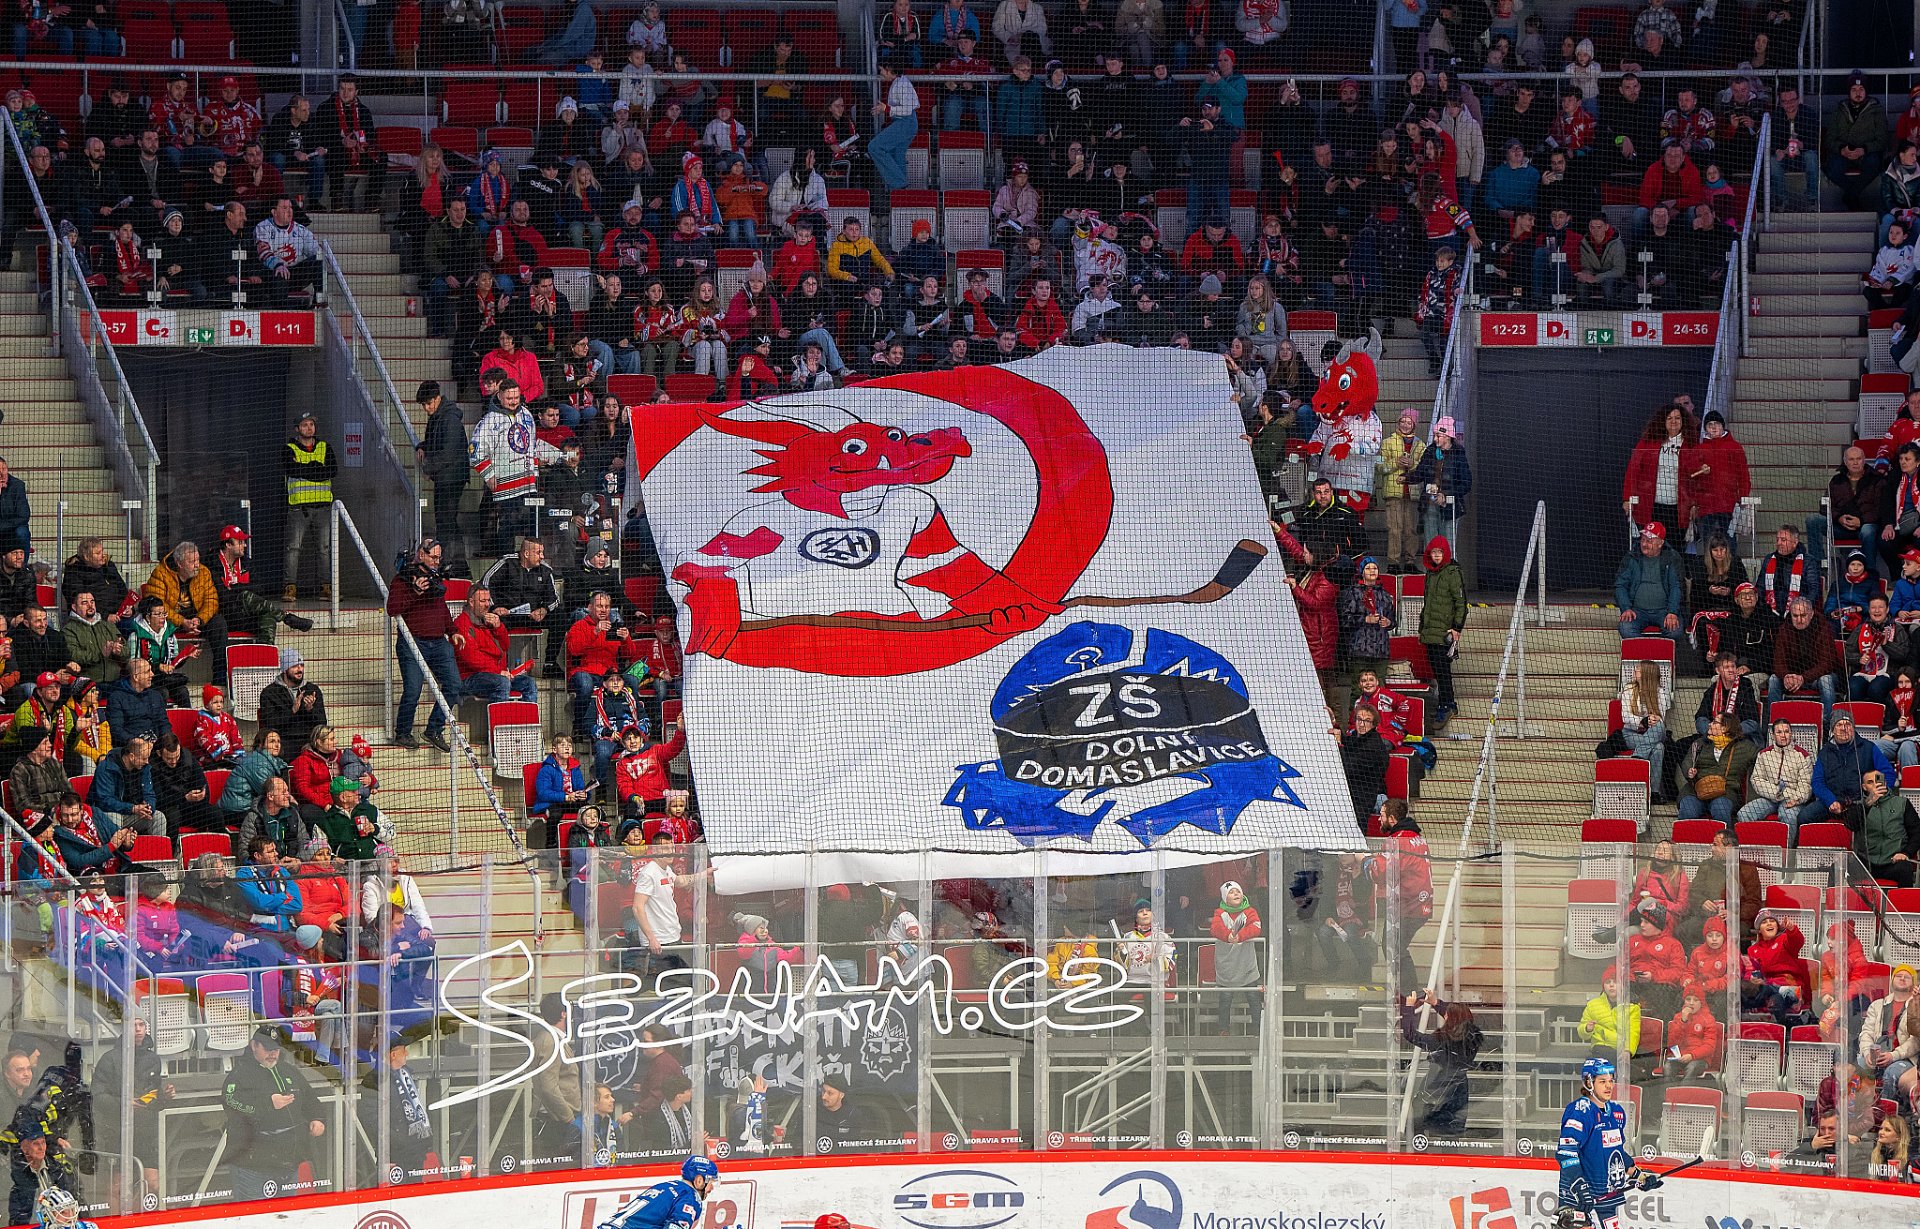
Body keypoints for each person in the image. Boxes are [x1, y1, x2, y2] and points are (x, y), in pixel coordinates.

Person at [1556, 1057, 1664, 1229]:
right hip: (1578, 1198)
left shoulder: (1616, 1112)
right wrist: (1579, 1186)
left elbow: (1616, 1153)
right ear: (1589, 1082)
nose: (1609, 1086)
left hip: (1606, 1195)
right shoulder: (1580, 1112)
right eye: (1602, 1081)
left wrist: (1639, 1176)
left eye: (1611, 1081)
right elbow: (1566, 1153)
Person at [221, 1025, 325, 1200]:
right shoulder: (239, 1075)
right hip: (252, 1166)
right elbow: (231, 1104)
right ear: (254, 1045)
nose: (273, 1053)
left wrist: (317, 1118)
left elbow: (310, 1099)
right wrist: (267, 1103)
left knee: (286, 1214)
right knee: (254, 1215)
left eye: (276, 1049)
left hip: (288, 1164)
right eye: (268, 1048)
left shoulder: (289, 1071)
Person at [386, 559, 462, 753]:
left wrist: (452, 630)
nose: (437, 562)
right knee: (413, 690)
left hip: (438, 642)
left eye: (439, 558)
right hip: (412, 641)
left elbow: (441, 608)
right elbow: (392, 609)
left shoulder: (435, 577)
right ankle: (403, 733)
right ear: (422, 555)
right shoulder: (402, 579)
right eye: (434, 558)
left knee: (454, 685)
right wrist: (415, 591)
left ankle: (434, 729)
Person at [1400, 989, 1484, 1137]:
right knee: (1453, 1130)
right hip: (1460, 1087)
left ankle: (1419, 1148)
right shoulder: (1473, 1038)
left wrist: (1409, 1008)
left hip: (1437, 1084)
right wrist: (1435, 1003)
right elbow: (1456, 1016)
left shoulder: (1440, 1041)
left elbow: (1410, 1034)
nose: (1444, 1015)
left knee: (1418, 1122)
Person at [1374, 799, 1432, 996]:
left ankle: (1410, 993)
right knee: (1393, 945)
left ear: (1392, 818)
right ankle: (1407, 991)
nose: (1379, 819)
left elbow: (1381, 870)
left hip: (1409, 903)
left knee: (1393, 946)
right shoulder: (1415, 837)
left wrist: (1365, 862)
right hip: (1417, 900)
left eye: (1382, 815)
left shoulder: (1398, 840)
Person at [281, 411, 335, 603]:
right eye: (304, 425)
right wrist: (317, 468)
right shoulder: (288, 449)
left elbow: (332, 470)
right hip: (299, 508)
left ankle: (326, 587)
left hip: (323, 507)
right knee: (293, 548)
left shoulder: (325, 447)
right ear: (297, 429)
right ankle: (290, 587)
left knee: (324, 549)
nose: (309, 428)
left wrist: (305, 469)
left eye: (311, 424)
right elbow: (291, 469)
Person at [1417, 534, 1465, 728]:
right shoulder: (1430, 573)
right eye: (1434, 552)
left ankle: (1448, 704)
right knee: (1437, 670)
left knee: (1443, 670)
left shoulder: (1453, 573)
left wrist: (1457, 628)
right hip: (1430, 632)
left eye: (1440, 552)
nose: (1436, 556)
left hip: (1444, 632)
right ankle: (1443, 703)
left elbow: (1461, 603)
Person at [1770, 598, 1845, 719]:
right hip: (1792, 678)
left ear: (1811, 614)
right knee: (1773, 679)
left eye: (1803, 615)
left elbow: (1827, 664)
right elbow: (1778, 662)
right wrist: (1786, 676)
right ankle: (1775, 721)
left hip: (1817, 677)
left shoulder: (1824, 628)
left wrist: (1803, 678)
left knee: (1826, 680)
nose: (1799, 620)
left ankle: (1827, 723)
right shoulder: (1784, 629)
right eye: (1795, 616)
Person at [1678, 713, 1756, 826]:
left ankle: (1724, 837)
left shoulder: (1744, 747)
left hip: (1725, 792)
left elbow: (1762, 755)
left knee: (1721, 809)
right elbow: (1687, 761)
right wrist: (1689, 771)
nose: (1709, 724)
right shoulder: (1700, 743)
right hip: (1696, 790)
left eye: (1714, 722)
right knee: (1688, 809)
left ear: (1725, 727)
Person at [1207, 881, 1263, 1033]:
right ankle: (1223, 1030)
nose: (1236, 894)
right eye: (1231, 892)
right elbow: (1215, 928)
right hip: (1227, 965)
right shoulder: (1219, 913)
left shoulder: (1250, 911)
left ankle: (1259, 1030)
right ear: (1225, 898)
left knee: (1254, 998)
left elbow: (1256, 927)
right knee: (1225, 999)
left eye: (1238, 891)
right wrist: (1228, 936)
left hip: (1246, 963)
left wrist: (1240, 936)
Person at [1855, 768, 1920, 887]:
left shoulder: (1902, 803)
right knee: (1838, 866)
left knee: (1905, 868)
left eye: (1878, 780)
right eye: (1870, 782)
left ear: (1884, 783)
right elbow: (1850, 824)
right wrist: (1868, 804)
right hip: (1866, 863)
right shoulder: (1859, 806)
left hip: (1893, 861)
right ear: (1864, 787)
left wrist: (1906, 853)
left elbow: (1917, 832)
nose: (1875, 785)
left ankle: (1903, 900)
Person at [257, 649, 328, 750]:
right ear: (285, 670)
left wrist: (310, 709)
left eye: (301, 665)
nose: (299, 669)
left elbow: (322, 722)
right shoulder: (270, 692)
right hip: (283, 743)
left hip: (309, 743)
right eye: (294, 666)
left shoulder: (312, 690)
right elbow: (269, 724)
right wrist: (292, 711)